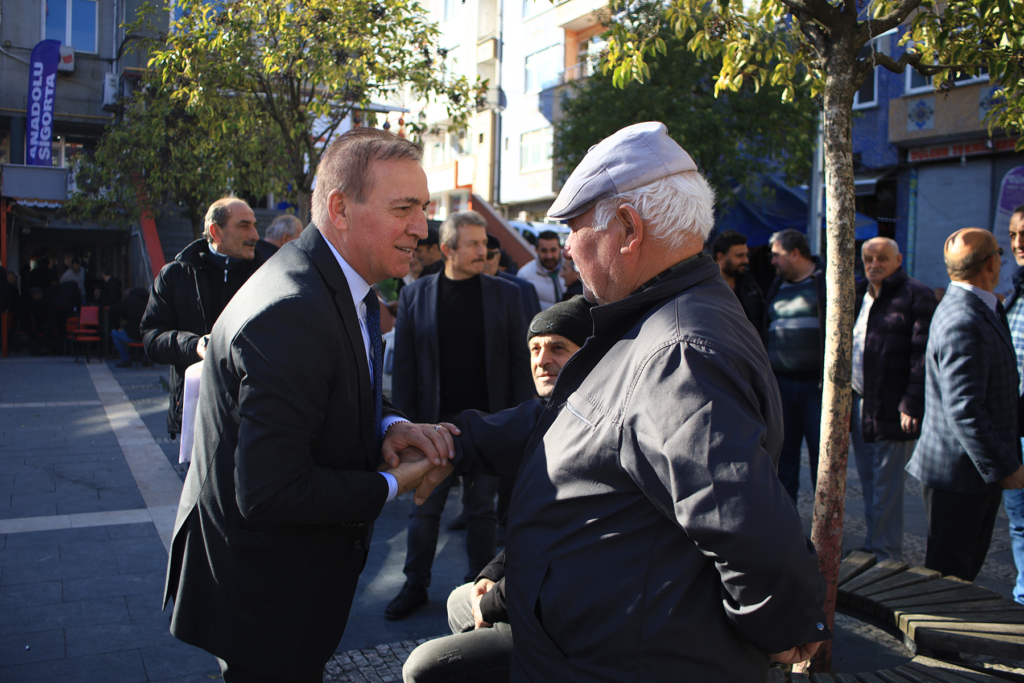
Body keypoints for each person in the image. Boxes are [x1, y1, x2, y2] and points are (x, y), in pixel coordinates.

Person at [449, 122, 828, 680]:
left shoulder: (677, 349)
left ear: (627, 227)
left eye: (575, 230)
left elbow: (751, 532)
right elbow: (582, 420)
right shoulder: (657, 320)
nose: (568, 250)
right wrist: (457, 440)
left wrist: (782, 630)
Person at [163, 127, 458, 682]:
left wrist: (389, 423)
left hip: (284, 585)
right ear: (341, 209)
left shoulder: (333, 283)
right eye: (404, 208)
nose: (421, 227)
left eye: (423, 207)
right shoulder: (293, 307)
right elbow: (273, 491)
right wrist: (397, 481)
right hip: (265, 598)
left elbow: (341, 380)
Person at [403, 296, 593, 683]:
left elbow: (573, 547)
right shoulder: (555, 413)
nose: (542, 360)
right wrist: (493, 571)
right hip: (544, 597)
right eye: (535, 349)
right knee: (462, 599)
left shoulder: (588, 422)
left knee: (421, 668)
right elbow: (539, 525)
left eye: (559, 347)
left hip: (577, 625)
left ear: (588, 355)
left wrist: (495, 599)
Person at [387, 211, 534, 620]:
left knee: (482, 510)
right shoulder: (417, 296)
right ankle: (415, 583)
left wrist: (522, 426)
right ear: (448, 249)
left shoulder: (505, 294)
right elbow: (405, 370)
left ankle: (476, 589)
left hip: (488, 423)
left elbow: (519, 364)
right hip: (432, 424)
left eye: (484, 242)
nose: (483, 250)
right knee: (424, 508)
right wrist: (403, 424)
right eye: (472, 243)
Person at [906, 227, 1024, 582]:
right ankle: (934, 640)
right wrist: (1005, 467)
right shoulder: (964, 317)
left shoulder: (974, 305)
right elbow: (965, 410)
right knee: (950, 580)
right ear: (992, 262)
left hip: (967, 474)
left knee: (959, 573)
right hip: (959, 477)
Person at [140, 197, 267, 439]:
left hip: (255, 414)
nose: (255, 235)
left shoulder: (269, 274)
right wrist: (194, 345)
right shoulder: (175, 275)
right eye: (244, 225)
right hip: (196, 414)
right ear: (215, 232)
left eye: (255, 225)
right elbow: (151, 337)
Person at [850, 237, 937, 562]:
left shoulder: (916, 294)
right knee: (870, 480)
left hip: (894, 404)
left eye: (882, 258)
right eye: (869, 259)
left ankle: (886, 556)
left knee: (887, 486)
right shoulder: (859, 294)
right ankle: (875, 546)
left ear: (898, 259)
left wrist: (912, 403)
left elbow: (922, 355)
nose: (875, 265)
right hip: (861, 401)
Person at [764, 228, 827, 501]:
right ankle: (786, 524)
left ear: (795, 253)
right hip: (782, 386)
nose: (773, 261)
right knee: (783, 456)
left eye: (777, 255)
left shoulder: (825, 283)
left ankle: (824, 525)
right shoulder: (777, 285)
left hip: (817, 387)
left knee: (821, 456)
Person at [1006, 205, 1024, 604]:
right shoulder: (1013, 292)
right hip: (1013, 427)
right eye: (1012, 234)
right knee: (1019, 523)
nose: (1018, 243)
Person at [711, 229, 765, 337]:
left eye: (746, 255)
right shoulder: (704, 287)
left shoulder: (751, 286)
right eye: (739, 256)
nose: (746, 260)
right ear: (721, 257)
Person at [485, 233, 541, 323]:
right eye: (480, 256)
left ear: (498, 258)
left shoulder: (522, 288)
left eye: (489, 256)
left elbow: (533, 328)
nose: (484, 261)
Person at [517, 230, 565, 310]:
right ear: (536, 250)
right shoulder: (524, 275)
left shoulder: (573, 270)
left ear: (560, 248)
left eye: (553, 250)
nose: (549, 256)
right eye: (544, 251)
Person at [108, 287, 150, 368]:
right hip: (147, 336)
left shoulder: (129, 300)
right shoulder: (150, 300)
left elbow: (112, 311)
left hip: (132, 334)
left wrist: (117, 326)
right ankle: (147, 358)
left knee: (114, 333)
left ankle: (126, 359)